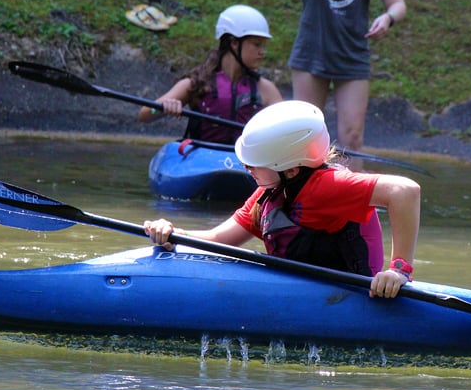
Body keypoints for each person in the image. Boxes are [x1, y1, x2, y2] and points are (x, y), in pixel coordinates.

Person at [145, 100, 420, 299]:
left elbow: (405, 191)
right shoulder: (270, 194)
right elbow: (218, 240)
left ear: (290, 169)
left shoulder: (327, 186)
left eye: (254, 163)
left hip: (353, 299)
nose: (246, 168)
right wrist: (175, 234)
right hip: (305, 295)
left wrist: (398, 271)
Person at [277, 0, 407, 170]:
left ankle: (352, 201)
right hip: (311, 54)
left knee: (352, 138)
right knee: (305, 136)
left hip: (352, 56)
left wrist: (388, 17)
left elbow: (398, 4)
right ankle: (300, 201)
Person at [137, 4, 283, 144]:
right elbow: (145, 115)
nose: (262, 52)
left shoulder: (265, 89)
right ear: (234, 43)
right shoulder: (196, 83)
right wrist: (162, 108)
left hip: (244, 161)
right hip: (202, 160)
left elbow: (288, 128)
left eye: (263, 45)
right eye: (257, 44)